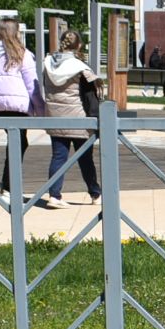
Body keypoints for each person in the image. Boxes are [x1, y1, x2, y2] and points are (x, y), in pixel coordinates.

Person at [39, 29, 103, 208]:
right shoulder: (80, 67)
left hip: (55, 116)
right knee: (85, 158)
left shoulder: (48, 64)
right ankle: (95, 194)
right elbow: (90, 96)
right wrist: (96, 120)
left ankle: (54, 195)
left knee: (58, 156)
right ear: (79, 46)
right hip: (78, 118)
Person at [0, 18, 40, 201]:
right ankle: (9, 186)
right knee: (19, 144)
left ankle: (5, 183)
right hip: (18, 105)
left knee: (16, 142)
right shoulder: (22, 54)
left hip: (0, 105)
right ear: (16, 32)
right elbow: (32, 84)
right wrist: (39, 108)